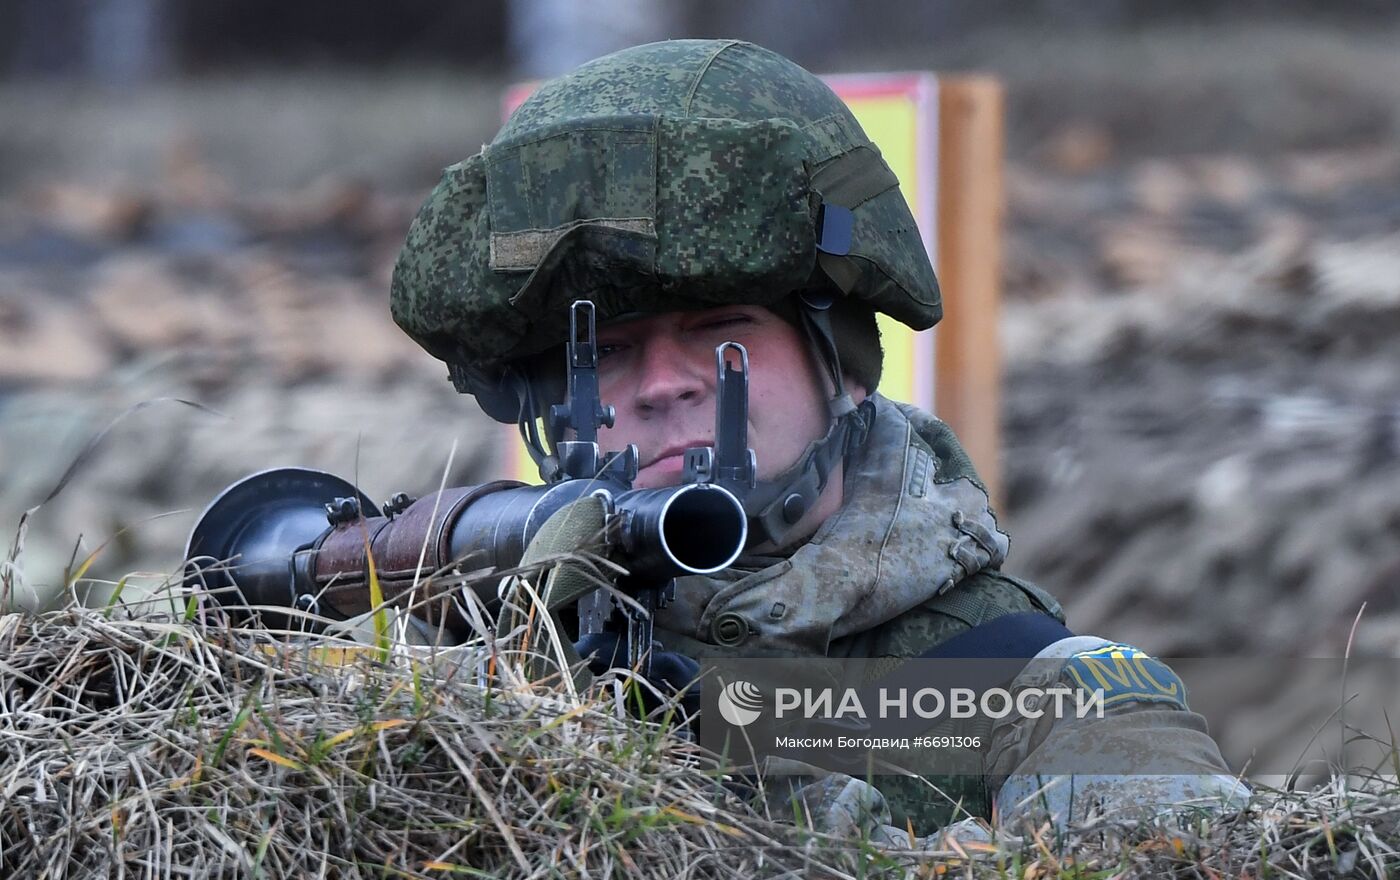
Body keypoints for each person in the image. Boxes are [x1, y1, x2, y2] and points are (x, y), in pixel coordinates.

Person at [388, 39, 1248, 844]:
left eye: (723, 326)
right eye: (604, 350)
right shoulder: (465, 683)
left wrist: (741, 777)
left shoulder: (1052, 696)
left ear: (843, 362)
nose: (661, 383)